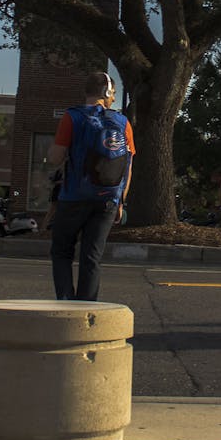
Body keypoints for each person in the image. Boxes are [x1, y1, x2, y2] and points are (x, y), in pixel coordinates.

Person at [47, 71, 135, 301]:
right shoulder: (123, 123)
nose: (113, 99)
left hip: (74, 196)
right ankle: (86, 310)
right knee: (92, 258)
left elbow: (56, 157)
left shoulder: (72, 117)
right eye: (113, 94)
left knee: (62, 252)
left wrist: (53, 153)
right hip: (108, 199)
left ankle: (66, 303)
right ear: (106, 93)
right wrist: (120, 202)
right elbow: (128, 166)